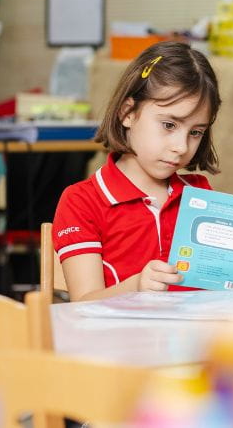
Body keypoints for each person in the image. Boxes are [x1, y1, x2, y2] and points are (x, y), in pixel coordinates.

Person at [52, 42, 220, 301]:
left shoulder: (200, 193)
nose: (181, 146)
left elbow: (230, 284)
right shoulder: (82, 202)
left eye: (195, 132)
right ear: (127, 113)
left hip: (196, 338)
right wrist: (136, 287)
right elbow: (83, 303)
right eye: (168, 125)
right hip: (120, 339)